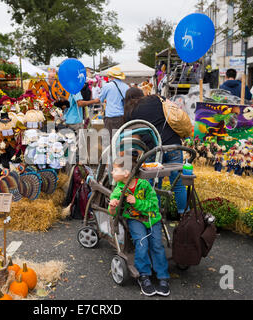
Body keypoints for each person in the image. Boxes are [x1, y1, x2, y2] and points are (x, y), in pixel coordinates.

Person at [108, 154, 170, 297]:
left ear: (126, 173)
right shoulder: (119, 189)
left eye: (115, 170)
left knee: (157, 245)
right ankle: (144, 276)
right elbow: (113, 211)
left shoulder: (144, 185)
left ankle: (163, 276)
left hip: (152, 218)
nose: (112, 172)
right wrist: (113, 206)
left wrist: (136, 202)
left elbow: (154, 205)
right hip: (135, 220)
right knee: (141, 243)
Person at [124, 88, 187, 217]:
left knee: (153, 185)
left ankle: (155, 215)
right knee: (179, 184)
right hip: (174, 145)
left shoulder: (129, 113)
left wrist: (139, 157)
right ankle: (185, 216)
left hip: (152, 150)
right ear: (142, 94)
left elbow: (135, 139)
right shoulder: (156, 99)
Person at [92, 66, 130, 139]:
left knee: (110, 140)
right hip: (123, 117)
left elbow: (100, 100)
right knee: (122, 140)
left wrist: (89, 102)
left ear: (111, 76)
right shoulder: (126, 87)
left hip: (111, 118)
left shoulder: (107, 86)